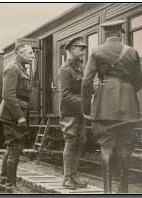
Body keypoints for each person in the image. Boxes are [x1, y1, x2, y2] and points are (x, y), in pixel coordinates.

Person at [81, 20, 142, 193]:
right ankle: (123, 190)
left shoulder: (96, 51)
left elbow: (86, 82)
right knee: (125, 147)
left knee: (105, 146)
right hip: (129, 106)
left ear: (106, 34)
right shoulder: (132, 52)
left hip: (104, 105)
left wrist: (86, 107)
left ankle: (107, 192)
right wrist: (128, 90)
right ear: (121, 32)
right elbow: (138, 82)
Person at [0, 41, 34, 192]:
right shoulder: (13, 68)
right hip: (13, 115)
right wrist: (19, 117)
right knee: (15, 148)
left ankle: (5, 182)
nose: (32, 55)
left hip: (15, 113)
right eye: (29, 53)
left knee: (11, 148)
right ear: (19, 53)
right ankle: (11, 185)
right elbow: (8, 95)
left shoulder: (20, 68)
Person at [58, 36, 88, 190]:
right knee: (71, 142)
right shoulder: (65, 69)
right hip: (70, 112)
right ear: (71, 50)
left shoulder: (81, 66)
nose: (83, 51)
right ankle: (67, 178)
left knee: (80, 142)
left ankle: (74, 175)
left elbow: (83, 87)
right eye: (80, 49)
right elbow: (66, 94)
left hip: (80, 112)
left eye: (84, 49)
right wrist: (85, 103)